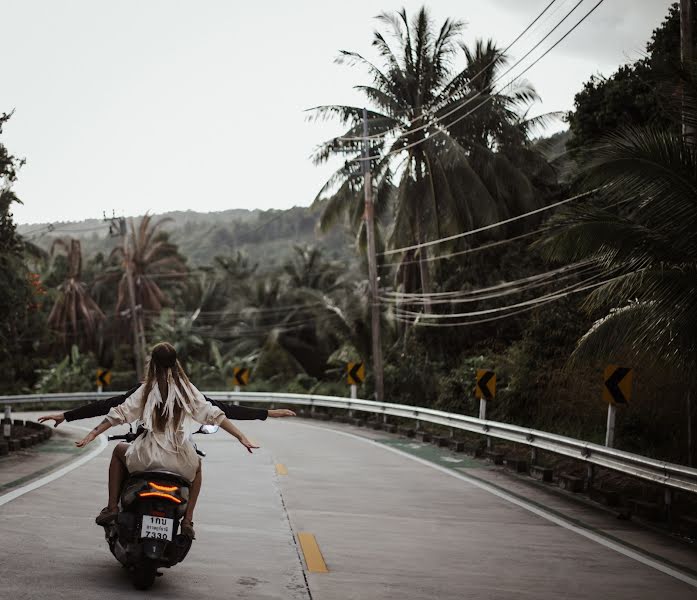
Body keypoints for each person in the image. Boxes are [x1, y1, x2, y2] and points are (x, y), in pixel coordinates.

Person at [73, 342, 259, 540]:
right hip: (180, 460)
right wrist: (241, 437)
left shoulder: (146, 390)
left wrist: (93, 433)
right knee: (198, 467)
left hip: (146, 456)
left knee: (119, 450)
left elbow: (118, 413)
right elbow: (215, 414)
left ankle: (111, 508)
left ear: (152, 363)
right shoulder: (186, 391)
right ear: (175, 363)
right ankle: (187, 520)